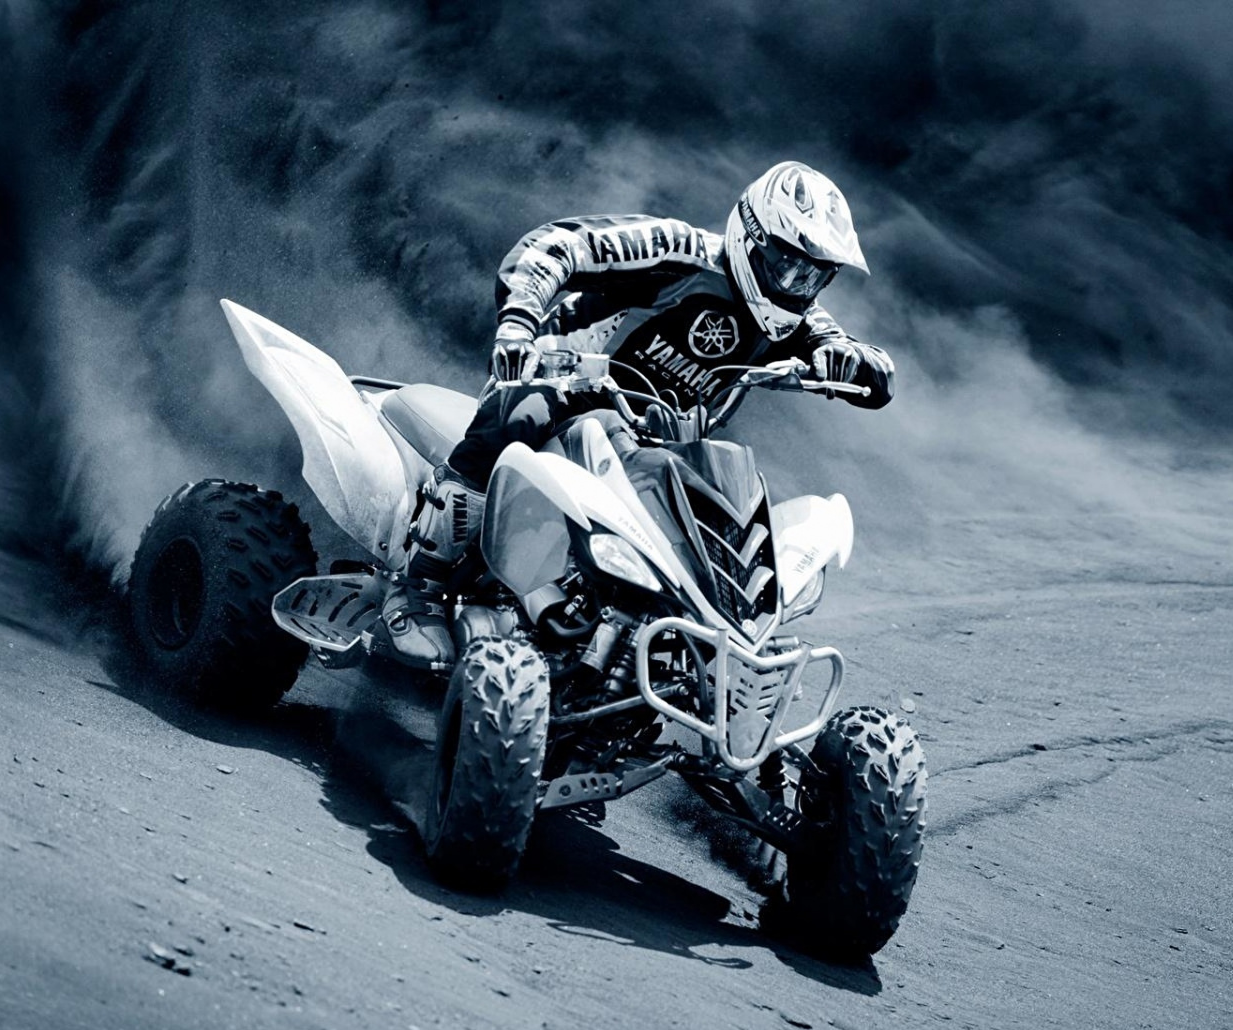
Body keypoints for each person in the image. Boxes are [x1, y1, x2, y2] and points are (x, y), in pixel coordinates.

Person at [382, 161, 897, 667]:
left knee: (722, 495)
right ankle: (417, 586)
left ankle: (700, 656)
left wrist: (850, 359)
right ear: (751, 236)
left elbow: (879, 377)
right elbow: (554, 245)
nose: (795, 285)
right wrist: (518, 325)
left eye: (813, 276)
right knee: (519, 416)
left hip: (656, 444)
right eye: (787, 264)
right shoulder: (679, 252)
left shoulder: (800, 320)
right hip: (562, 392)